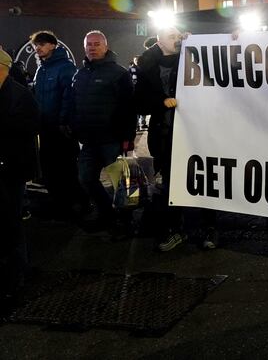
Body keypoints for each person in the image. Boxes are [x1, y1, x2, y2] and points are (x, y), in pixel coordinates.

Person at [133, 26, 211, 251]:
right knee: (170, 186)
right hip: (166, 136)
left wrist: (197, 45)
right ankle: (175, 230)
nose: (177, 40)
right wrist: (161, 102)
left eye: (179, 36)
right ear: (159, 42)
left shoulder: (192, 56)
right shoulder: (148, 67)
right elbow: (139, 101)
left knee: (203, 180)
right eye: (171, 37)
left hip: (196, 133)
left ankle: (207, 228)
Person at [68, 30, 136, 230]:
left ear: (106, 47)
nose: (92, 47)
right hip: (89, 140)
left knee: (121, 183)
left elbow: (128, 108)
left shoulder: (119, 73)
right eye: (89, 44)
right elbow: (74, 103)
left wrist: (128, 138)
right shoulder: (80, 74)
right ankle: (106, 212)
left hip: (112, 140)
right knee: (86, 178)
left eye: (97, 44)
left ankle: (127, 220)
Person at [0, 48, 39, 314]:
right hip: (6, 166)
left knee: (9, 223)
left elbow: (27, 128)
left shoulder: (19, 94)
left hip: (10, 169)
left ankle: (15, 279)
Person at [29, 31, 82, 218]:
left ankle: (72, 204)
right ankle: (58, 202)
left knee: (65, 166)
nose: (38, 48)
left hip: (61, 129)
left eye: (42, 44)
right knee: (50, 166)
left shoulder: (65, 67)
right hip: (45, 127)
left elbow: (70, 96)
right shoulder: (41, 69)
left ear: (53, 45)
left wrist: (63, 121)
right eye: (36, 45)